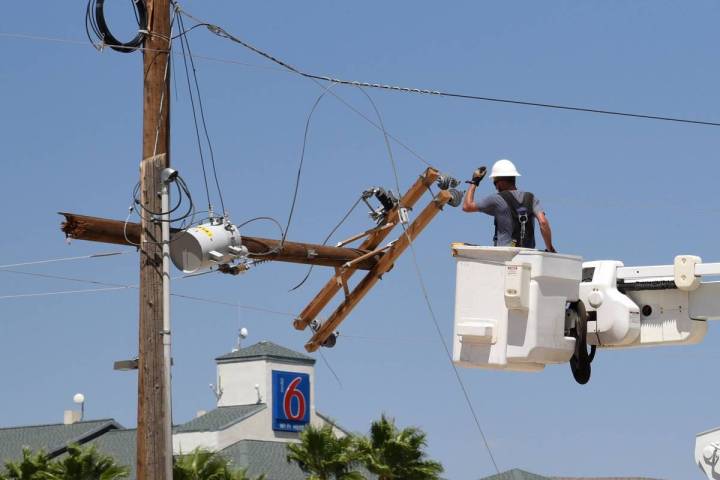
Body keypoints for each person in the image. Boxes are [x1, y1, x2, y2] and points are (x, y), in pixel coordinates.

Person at [462, 159, 556, 252]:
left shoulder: (496, 199)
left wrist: (474, 182)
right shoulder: (531, 198)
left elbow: (466, 206)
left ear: (500, 182)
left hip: (504, 256)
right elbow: (543, 222)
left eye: (495, 182)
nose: (495, 186)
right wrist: (550, 248)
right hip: (528, 255)